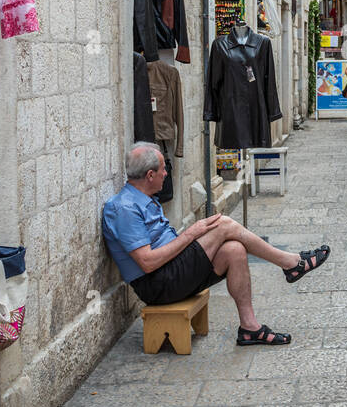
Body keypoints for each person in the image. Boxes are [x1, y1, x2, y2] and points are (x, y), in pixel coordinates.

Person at [101, 142, 331, 346]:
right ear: (150, 175)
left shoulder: (145, 199)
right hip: (158, 284)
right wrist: (191, 234)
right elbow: (147, 263)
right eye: (163, 169)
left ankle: (249, 327)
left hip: (172, 270)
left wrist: (191, 236)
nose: (166, 173)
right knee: (223, 225)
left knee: (234, 250)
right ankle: (290, 263)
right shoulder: (124, 209)